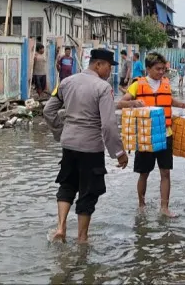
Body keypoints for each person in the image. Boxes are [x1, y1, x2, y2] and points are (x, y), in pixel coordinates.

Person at [43, 48, 128, 243]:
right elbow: (108, 125)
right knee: (88, 193)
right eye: (108, 67)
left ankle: (61, 227)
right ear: (98, 64)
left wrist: (61, 131)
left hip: (69, 144)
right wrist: (119, 152)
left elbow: (48, 111)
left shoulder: (66, 82)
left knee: (67, 184)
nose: (110, 72)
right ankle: (82, 238)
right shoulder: (103, 88)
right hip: (91, 148)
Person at [117, 52, 185, 217]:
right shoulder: (138, 84)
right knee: (143, 173)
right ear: (148, 68)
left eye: (163, 69)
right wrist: (133, 103)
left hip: (165, 134)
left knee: (165, 172)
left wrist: (183, 104)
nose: (161, 72)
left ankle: (164, 207)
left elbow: (168, 100)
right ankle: (141, 204)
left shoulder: (165, 83)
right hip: (145, 135)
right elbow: (120, 103)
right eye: (158, 69)